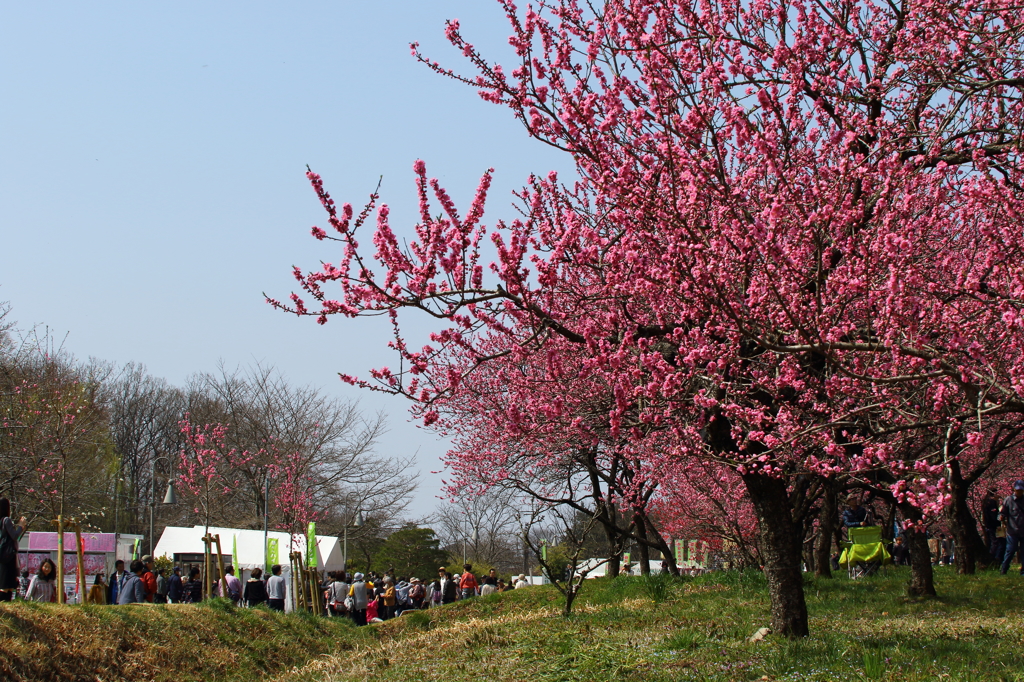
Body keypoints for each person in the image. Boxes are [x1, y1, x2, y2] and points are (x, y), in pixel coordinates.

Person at [0, 499, 27, 602]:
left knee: (4, 581)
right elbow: (14, 536)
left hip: (2, 555)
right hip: (8, 556)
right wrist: (21, 525)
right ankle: (6, 602)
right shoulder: (6, 520)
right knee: (7, 583)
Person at [999, 480, 1024, 575]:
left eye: (1021, 490)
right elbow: (1002, 512)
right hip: (1012, 530)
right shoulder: (1009, 500)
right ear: (1014, 489)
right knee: (1011, 550)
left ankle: (1023, 571)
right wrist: (1001, 517)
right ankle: (1004, 569)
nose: (1019, 492)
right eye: (1017, 490)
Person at [982, 488, 1001, 558]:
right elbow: (993, 515)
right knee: (995, 542)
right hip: (992, 525)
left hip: (988, 525)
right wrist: (998, 525)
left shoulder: (986, 502)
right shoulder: (992, 502)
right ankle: (992, 558)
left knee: (991, 542)